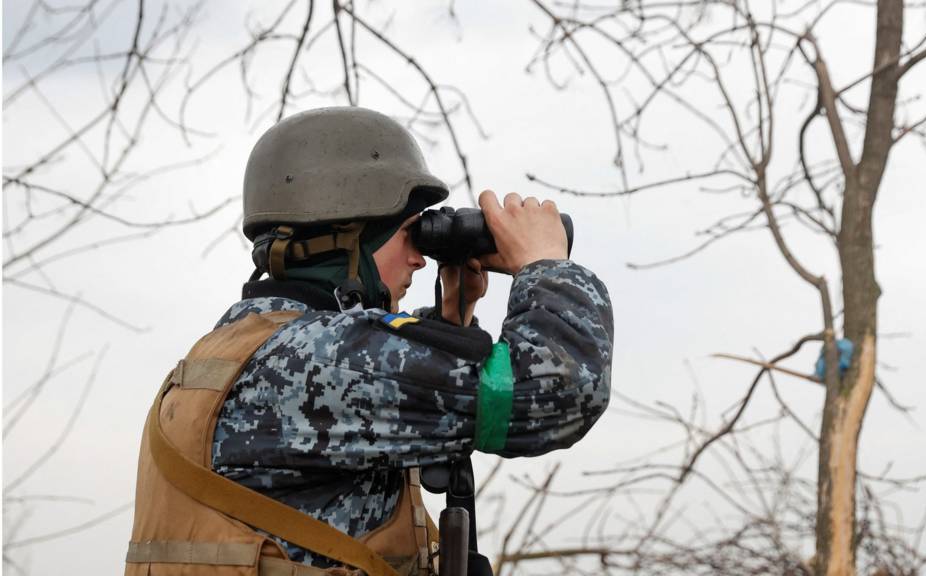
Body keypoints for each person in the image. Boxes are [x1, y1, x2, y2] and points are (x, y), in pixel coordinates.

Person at [125, 107, 613, 576]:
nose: (421, 259)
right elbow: (559, 391)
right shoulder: (320, 360)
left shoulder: (236, 352)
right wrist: (547, 265)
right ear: (349, 237)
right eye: (409, 233)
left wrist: (449, 327)